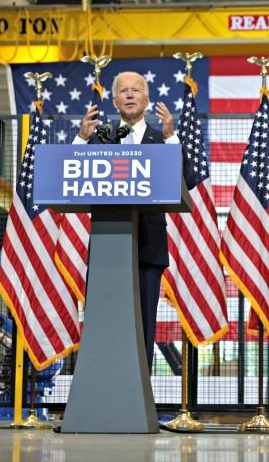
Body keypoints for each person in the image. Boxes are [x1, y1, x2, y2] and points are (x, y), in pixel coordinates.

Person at [72, 71, 181, 372]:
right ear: (115, 100)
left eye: (136, 90)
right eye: (124, 91)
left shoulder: (163, 139)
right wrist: (81, 139)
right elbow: (71, 173)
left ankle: (140, 393)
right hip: (108, 248)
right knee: (104, 321)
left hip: (148, 248)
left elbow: (181, 180)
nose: (130, 95)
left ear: (147, 100)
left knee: (143, 325)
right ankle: (103, 385)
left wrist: (172, 137)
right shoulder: (99, 138)